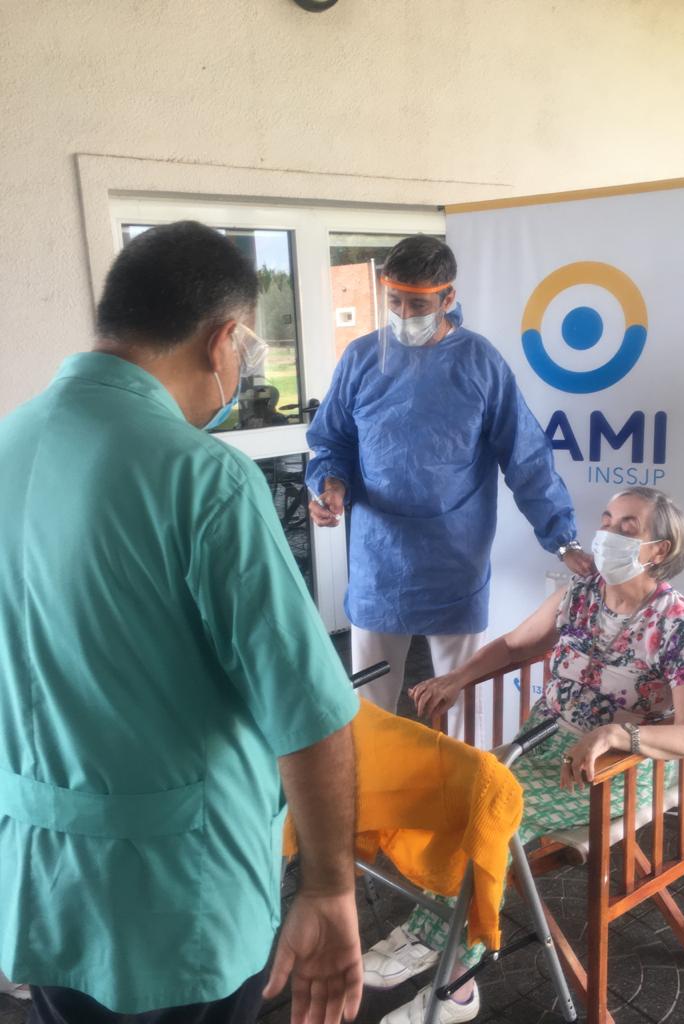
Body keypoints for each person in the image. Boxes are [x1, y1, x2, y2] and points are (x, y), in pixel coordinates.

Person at [0, 222, 362, 1024]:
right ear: (223, 340)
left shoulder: (10, 442)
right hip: (179, 909)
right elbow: (308, 713)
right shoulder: (202, 479)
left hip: (42, 884)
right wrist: (331, 890)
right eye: (245, 352)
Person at [365, 486, 684, 1024]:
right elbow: (514, 645)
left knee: (492, 815)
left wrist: (614, 735)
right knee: (452, 794)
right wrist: (456, 677)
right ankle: (428, 935)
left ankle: (456, 984)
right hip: (540, 742)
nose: (608, 533)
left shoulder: (677, 624)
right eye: (607, 520)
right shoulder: (583, 592)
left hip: (614, 767)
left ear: (659, 549)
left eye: (628, 527)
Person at [306, 235, 592, 733]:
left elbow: (526, 456)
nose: (403, 314)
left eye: (417, 304)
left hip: (453, 558)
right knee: (370, 707)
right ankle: (374, 780)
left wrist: (562, 538)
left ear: (448, 297)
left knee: (462, 704)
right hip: (379, 559)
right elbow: (333, 440)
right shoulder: (361, 358)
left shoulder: (479, 362)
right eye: (394, 301)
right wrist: (331, 485)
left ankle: (465, 783)